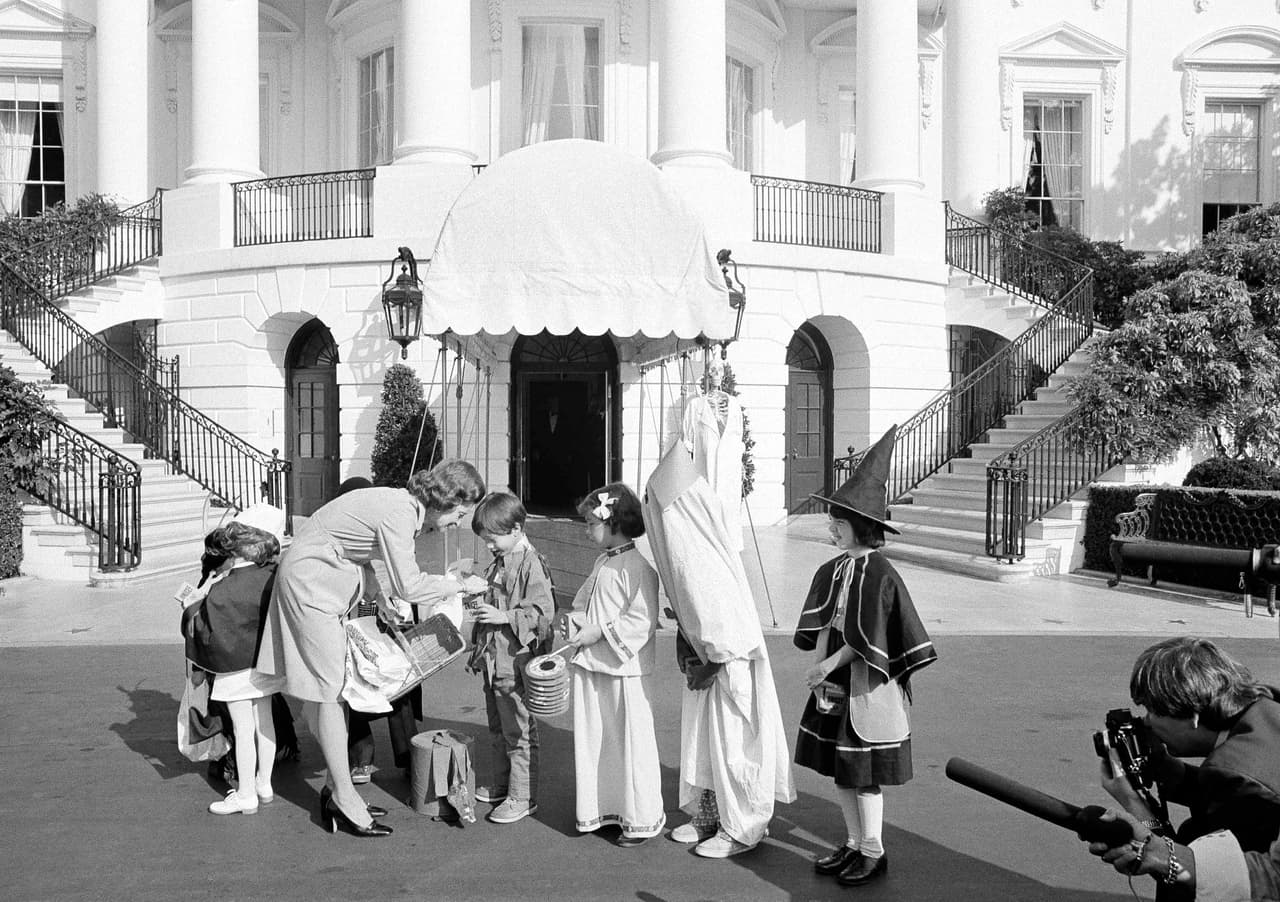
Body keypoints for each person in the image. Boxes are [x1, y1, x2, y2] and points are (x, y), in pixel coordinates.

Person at [257, 458, 488, 836]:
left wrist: (378, 596)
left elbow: (357, 548)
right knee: (330, 693)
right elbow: (410, 585)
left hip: (319, 581)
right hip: (311, 587)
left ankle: (337, 790)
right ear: (446, 500)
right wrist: (461, 586)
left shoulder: (399, 504)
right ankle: (343, 797)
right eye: (459, 514)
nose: (457, 523)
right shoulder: (400, 513)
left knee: (336, 690)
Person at [642, 420, 795, 859]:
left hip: (730, 663)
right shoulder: (685, 549)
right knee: (705, 743)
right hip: (707, 660)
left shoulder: (701, 553)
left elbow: (724, 621)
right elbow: (689, 608)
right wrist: (692, 651)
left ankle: (742, 827)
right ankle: (709, 812)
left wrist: (711, 663)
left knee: (734, 746)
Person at [793, 426, 938, 887]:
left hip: (867, 684)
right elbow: (827, 623)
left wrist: (827, 665)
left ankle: (873, 851)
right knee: (842, 770)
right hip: (836, 684)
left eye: (838, 522)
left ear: (861, 525)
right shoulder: (835, 569)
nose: (832, 527)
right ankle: (854, 843)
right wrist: (819, 671)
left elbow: (868, 638)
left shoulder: (880, 573)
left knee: (863, 772)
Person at [1100, 638, 1280, 854]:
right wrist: (1170, 771)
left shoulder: (1237, 773)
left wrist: (1136, 805)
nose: (1146, 722)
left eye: (1152, 711)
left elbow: (1195, 868)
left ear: (1193, 716)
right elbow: (1236, 800)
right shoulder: (1268, 705)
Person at [563, 483, 665, 847]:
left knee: (630, 744)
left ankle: (640, 818)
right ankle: (604, 808)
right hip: (595, 664)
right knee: (599, 741)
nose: (586, 530)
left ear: (614, 523)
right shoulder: (603, 562)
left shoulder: (639, 567)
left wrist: (598, 632)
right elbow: (586, 602)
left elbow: (641, 621)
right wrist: (577, 622)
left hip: (625, 671)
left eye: (591, 524)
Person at [181, 521, 284, 815]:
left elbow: (203, 630)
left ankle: (246, 794)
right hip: (266, 661)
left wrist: (191, 606)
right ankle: (264, 784)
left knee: (243, 729)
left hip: (234, 667)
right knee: (265, 722)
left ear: (232, 553)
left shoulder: (223, 588)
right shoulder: (272, 575)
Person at [466, 490, 555, 824]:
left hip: (515, 663)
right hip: (494, 661)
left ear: (516, 529)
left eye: (493, 539)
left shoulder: (532, 563)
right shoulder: (502, 559)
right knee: (498, 729)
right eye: (485, 540)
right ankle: (504, 785)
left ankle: (522, 796)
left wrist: (503, 616)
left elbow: (542, 614)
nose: (489, 545)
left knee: (519, 732)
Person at [335, 476, 424, 787]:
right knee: (384, 683)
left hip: (378, 611)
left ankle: (368, 758)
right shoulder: (368, 527)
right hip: (374, 612)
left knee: (373, 682)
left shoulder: (381, 525)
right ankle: (401, 756)